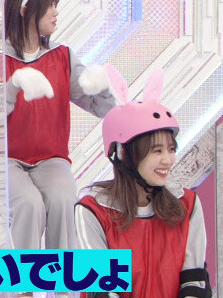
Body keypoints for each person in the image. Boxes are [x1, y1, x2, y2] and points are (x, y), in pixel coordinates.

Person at [3, 0, 114, 261]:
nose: (55, 13)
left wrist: (101, 87)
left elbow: (103, 108)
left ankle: (61, 279)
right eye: (49, 5)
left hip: (51, 159)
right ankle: (22, 281)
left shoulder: (62, 56)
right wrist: (13, 86)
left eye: (56, 5)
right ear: (25, 10)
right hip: (5, 160)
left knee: (65, 201)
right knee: (29, 205)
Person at [75, 66, 212, 298]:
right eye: (157, 151)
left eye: (171, 149)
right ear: (123, 153)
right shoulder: (93, 211)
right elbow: (102, 291)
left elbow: (194, 282)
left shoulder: (187, 205)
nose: (168, 160)